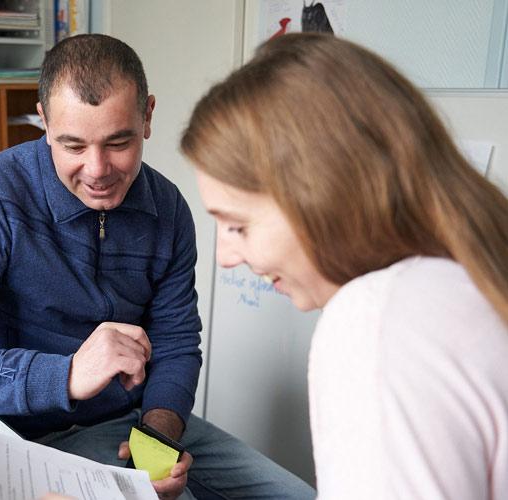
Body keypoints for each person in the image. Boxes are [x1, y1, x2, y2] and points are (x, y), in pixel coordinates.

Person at [0, 34, 314, 499]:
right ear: (44, 121)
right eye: (73, 146)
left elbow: (175, 343)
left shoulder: (168, 209)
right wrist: (66, 375)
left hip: (132, 424)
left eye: (118, 142)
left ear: (147, 116)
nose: (97, 170)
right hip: (27, 434)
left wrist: (159, 436)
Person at [181, 32, 508, 499]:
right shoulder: (472, 271)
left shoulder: (378, 320)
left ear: (321, 195)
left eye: (238, 226)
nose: (226, 256)